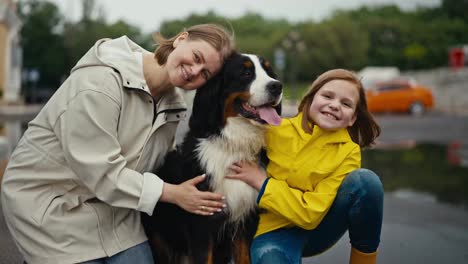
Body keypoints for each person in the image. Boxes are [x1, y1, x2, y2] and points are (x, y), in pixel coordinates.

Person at [1, 24, 234, 264]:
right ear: (181, 39)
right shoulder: (99, 83)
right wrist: (174, 194)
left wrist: (223, 171)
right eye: (196, 57)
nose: (194, 70)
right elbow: (102, 174)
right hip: (52, 205)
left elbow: (162, 163)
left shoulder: (173, 106)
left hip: (116, 210)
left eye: (205, 74)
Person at [228, 69, 383, 264]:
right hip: (273, 231)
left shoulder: (348, 151)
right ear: (310, 100)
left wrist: (262, 182)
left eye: (346, 104)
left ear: (353, 118)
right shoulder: (274, 130)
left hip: (318, 229)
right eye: (327, 96)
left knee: (366, 182)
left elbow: (310, 216)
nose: (335, 105)